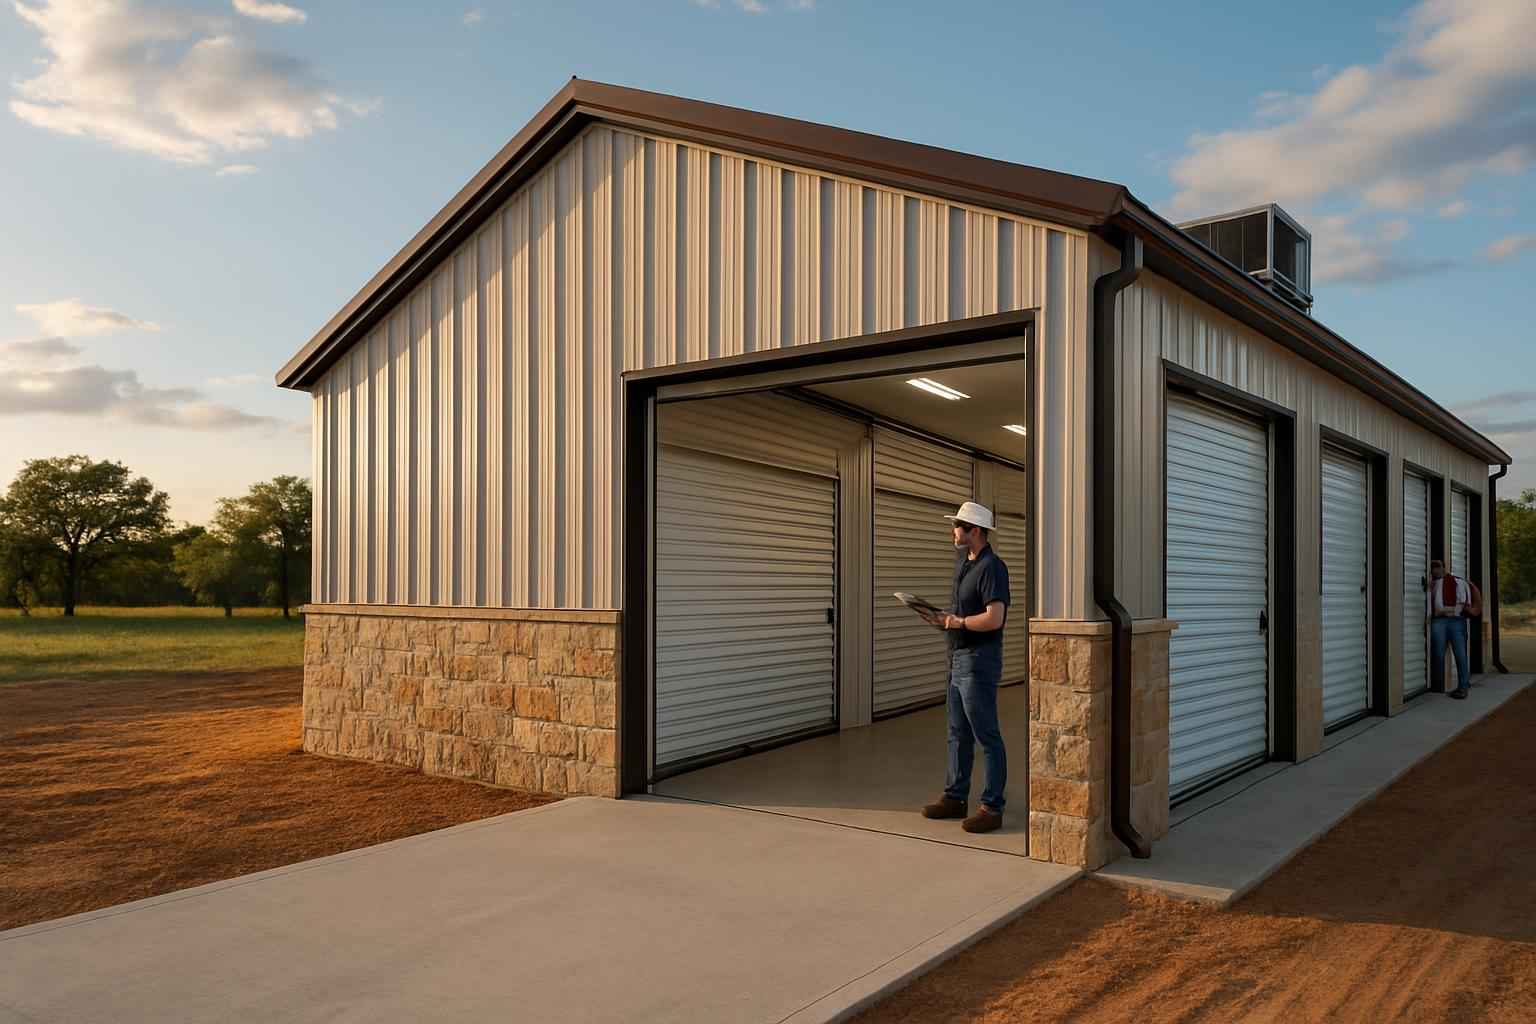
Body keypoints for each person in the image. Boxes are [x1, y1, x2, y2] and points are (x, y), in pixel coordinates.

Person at [919, 501, 1011, 834]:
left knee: (987, 735)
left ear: (975, 531)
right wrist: (944, 619)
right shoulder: (964, 564)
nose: (953, 531)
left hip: (978, 661)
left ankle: (992, 807)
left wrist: (957, 622)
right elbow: (962, 615)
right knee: (957, 733)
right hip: (957, 658)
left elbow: (994, 618)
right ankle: (955, 797)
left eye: (957, 526)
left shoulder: (992, 568)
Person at [1428, 558, 1479, 700]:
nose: (1435, 569)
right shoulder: (1432, 584)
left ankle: (1463, 686)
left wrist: (1444, 611)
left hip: (1455, 621)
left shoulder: (1457, 581)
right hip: (1438, 621)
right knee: (1438, 652)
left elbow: (1461, 603)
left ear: (1444, 567)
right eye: (1432, 567)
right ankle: (1438, 684)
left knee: (1460, 653)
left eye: (1437, 566)